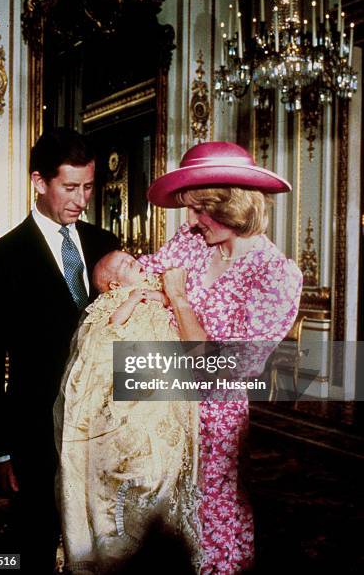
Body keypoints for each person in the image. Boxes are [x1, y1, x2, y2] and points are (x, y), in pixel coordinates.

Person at [139, 141, 303, 573]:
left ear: (232, 205)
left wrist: (176, 298)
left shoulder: (274, 273)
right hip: (163, 409)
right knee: (158, 531)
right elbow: (136, 277)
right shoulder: (193, 243)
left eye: (200, 209)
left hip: (214, 424)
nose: (190, 220)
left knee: (209, 529)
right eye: (188, 208)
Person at [0, 128, 119, 573]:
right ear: (39, 182)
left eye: (89, 187)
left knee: (102, 542)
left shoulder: (105, 245)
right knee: (33, 545)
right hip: (34, 435)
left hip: (104, 429)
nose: (81, 199)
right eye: (70, 187)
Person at [54, 250, 199, 574]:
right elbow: (112, 324)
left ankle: (159, 534)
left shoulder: (151, 284)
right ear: (114, 284)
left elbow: (166, 300)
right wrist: (133, 299)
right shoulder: (114, 300)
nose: (131, 260)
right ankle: (123, 545)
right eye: (122, 264)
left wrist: (157, 295)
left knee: (166, 451)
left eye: (129, 256)